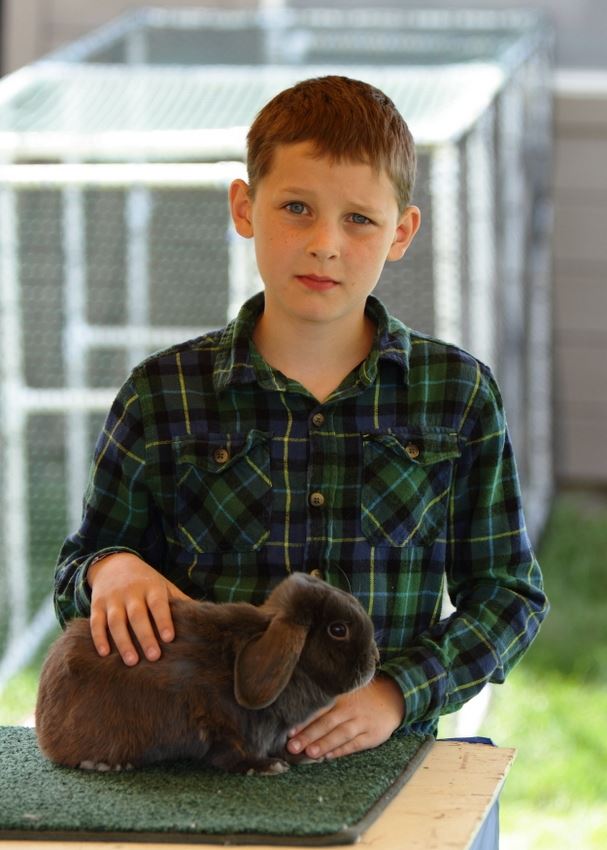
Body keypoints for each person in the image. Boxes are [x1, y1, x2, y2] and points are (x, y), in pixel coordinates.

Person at [54, 75, 548, 763]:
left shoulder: (457, 396)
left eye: (358, 219)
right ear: (244, 206)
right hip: (197, 773)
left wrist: (396, 693)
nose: (324, 243)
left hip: (384, 772)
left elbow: (507, 596)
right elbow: (79, 569)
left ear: (401, 231)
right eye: (295, 207)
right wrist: (109, 570)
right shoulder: (160, 396)